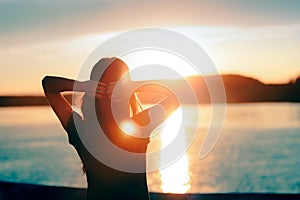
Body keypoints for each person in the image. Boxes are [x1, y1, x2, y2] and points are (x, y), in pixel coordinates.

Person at [42, 57, 180, 200]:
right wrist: (133, 86)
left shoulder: (81, 129)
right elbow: (179, 93)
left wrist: (82, 86)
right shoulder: (139, 125)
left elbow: (49, 85)